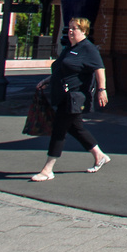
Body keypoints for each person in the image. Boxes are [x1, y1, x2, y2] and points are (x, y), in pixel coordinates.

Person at [30, 17, 110, 181]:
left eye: (75, 28)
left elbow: (99, 69)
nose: (71, 31)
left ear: (84, 31)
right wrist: (47, 81)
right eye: (70, 28)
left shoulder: (88, 49)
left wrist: (102, 90)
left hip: (75, 97)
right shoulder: (68, 48)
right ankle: (99, 155)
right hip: (63, 95)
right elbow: (60, 70)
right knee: (75, 128)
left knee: (59, 130)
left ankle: (47, 169)